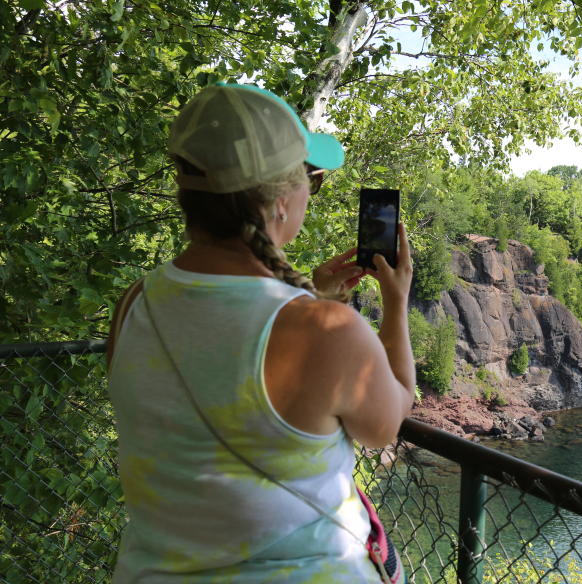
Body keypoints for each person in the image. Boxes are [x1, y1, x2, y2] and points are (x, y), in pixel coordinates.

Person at [105, 83, 415, 583]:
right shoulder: (324, 331)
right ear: (279, 203)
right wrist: (395, 304)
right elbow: (388, 423)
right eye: (311, 178)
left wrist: (317, 301)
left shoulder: (134, 303)